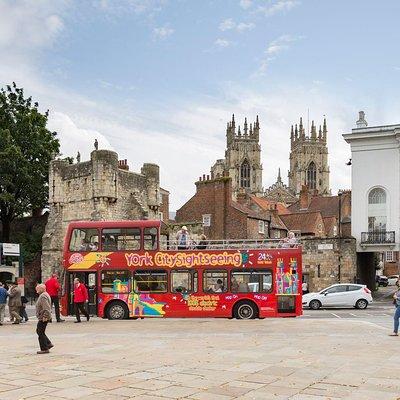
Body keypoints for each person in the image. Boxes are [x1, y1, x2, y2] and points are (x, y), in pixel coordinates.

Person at [35, 284, 53, 354]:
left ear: (41, 289)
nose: (36, 291)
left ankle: (44, 348)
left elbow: (46, 307)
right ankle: (48, 343)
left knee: (40, 332)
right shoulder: (45, 294)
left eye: (37, 289)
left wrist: (45, 316)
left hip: (43, 317)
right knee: (39, 331)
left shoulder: (43, 296)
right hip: (43, 316)